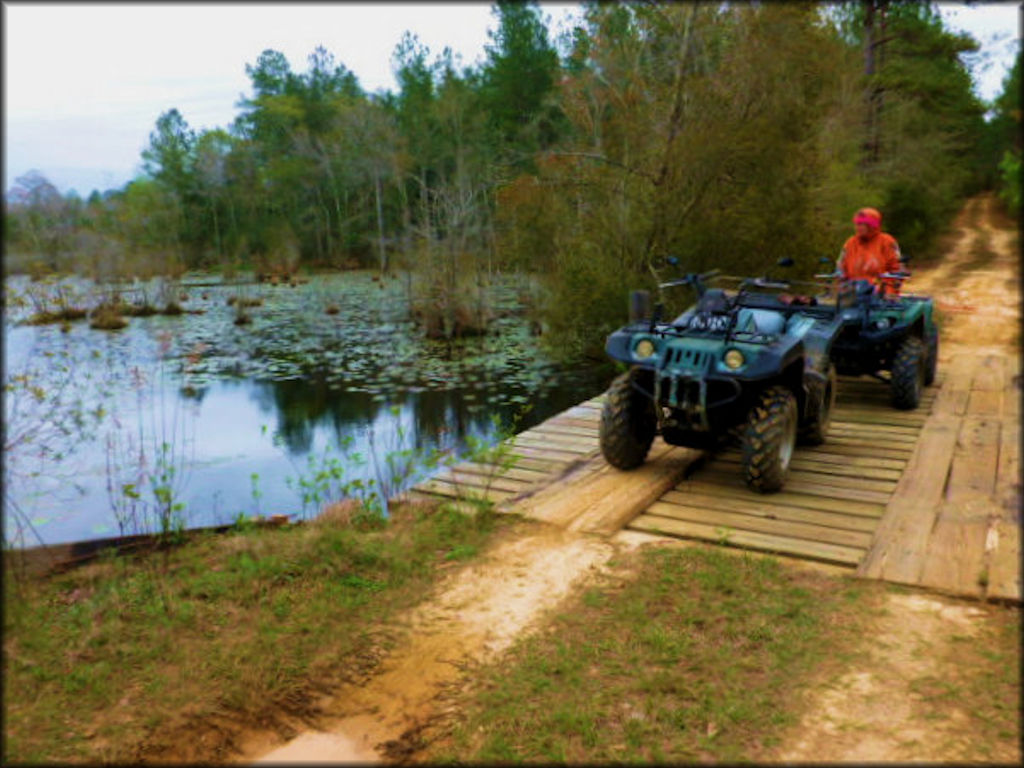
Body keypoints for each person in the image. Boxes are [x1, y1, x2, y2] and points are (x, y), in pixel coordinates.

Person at [837, 207, 904, 295]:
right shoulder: (850, 243)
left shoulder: (887, 242)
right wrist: (843, 286)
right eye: (857, 224)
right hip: (854, 294)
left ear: (872, 225)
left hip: (880, 296)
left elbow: (896, 271)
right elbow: (841, 267)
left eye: (862, 224)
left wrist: (887, 291)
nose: (858, 227)